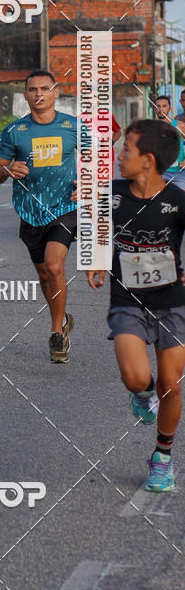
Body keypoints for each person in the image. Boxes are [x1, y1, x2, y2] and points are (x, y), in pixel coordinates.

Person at [87, 118, 185, 492]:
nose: (119, 155)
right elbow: (95, 223)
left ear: (147, 160)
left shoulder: (177, 201)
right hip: (127, 298)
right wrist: (96, 257)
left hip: (173, 303)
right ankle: (142, 396)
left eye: (126, 149)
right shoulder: (112, 194)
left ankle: (162, 457)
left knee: (171, 386)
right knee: (136, 378)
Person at [0, 70, 78, 363]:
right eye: (32, 89)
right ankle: (61, 317)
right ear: (25, 95)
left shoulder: (74, 127)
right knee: (43, 273)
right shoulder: (15, 131)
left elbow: (96, 163)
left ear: (56, 92)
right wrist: (7, 170)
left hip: (64, 208)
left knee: (54, 266)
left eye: (44, 88)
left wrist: (87, 185)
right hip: (30, 210)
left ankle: (56, 333)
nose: (38, 94)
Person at [152, 95, 185, 190]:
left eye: (164, 106)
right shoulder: (151, 128)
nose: (161, 109)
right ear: (155, 109)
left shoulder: (180, 126)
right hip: (160, 174)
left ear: (170, 109)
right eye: (158, 106)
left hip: (180, 174)